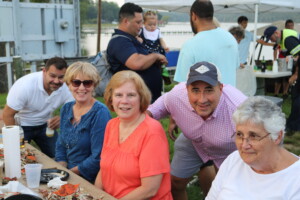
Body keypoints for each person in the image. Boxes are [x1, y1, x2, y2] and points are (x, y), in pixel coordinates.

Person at [148, 61, 247, 199]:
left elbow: (263, 140)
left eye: (209, 90)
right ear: (186, 88)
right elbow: (155, 109)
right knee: (175, 182)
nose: (202, 99)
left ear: (220, 88)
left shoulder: (240, 109)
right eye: (195, 90)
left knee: (226, 192)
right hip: (193, 141)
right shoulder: (177, 95)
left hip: (228, 150)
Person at [95, 70, 172, 199]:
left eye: (131, 95)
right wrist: (95, 194)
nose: (124, 101)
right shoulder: (111, 125)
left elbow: (149, 189)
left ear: (141, 97)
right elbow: (104, 169)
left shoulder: (152, 132)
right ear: (111, 98)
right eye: (118, 95)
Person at [206, 96, 300, 199]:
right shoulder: (233, 160)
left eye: (253, 136)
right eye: (240, 135)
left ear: (277, 136)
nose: (244, 145)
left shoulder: (295, 180)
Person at [2, 57, 73, 158]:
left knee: (60, 155)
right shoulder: (25, 86)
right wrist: (15, 137)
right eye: (52, 76)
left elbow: (75, 108)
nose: (56, 81)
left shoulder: (68, 86)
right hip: (22, 125)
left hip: (45, 125)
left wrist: (63, 118)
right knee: (18, 157)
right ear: (44, 71)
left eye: (61, 77)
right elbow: (7, 114)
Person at [55, 62, 111, 182]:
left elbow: (98, 157)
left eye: (87, 83)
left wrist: (68, 174)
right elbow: (61, 144)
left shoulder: (100, 113)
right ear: (68, 85)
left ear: (94, 85)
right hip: (67, 174)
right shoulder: (66, 108)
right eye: (76, 82)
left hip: (90, 178)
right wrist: (61, 167)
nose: (81, 88)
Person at [107, 2, 168, 102]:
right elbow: (136, 62)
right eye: (138, 22)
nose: (141, 26)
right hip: (132, 102)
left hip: (144, 102)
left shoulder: (131, 39)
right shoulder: (119, 41)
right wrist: (155, 56)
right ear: (126, 21)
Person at [174, 0, 239, 87]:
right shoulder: (230, 38)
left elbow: (182, 85)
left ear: (194, 16)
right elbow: (235, 67)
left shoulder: (190, 45)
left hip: (205, 100)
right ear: (212, 14)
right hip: (230, 98)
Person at [138, 10, 171, 85]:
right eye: (150, 25)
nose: (152, 27)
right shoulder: (141, 31)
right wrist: (138, 39)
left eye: (154, 24)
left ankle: (163, 71)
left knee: (161, 60)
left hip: (157, 50)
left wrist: (165, 47)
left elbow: (161, 40)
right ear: (144, 23)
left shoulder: (157, 31)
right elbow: (136, 36)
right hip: (146, 51)